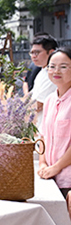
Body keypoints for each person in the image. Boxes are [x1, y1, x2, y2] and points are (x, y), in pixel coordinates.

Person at [38, 47, 71, 203]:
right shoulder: (50, 100)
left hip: (67, 177)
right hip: (50, 176)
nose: (56, 70)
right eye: (52, 66)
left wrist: (57, 167)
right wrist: (43, 162)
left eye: (63, 66)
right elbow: (43, 135)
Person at [29, 33, 58, 129]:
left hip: (50, 127)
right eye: (32, 53)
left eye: (37, 52)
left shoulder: (55, 74)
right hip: (40, 125)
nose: (33, 56)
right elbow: (30, 96)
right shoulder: (42, 71)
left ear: (51, 52)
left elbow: (38, 105)